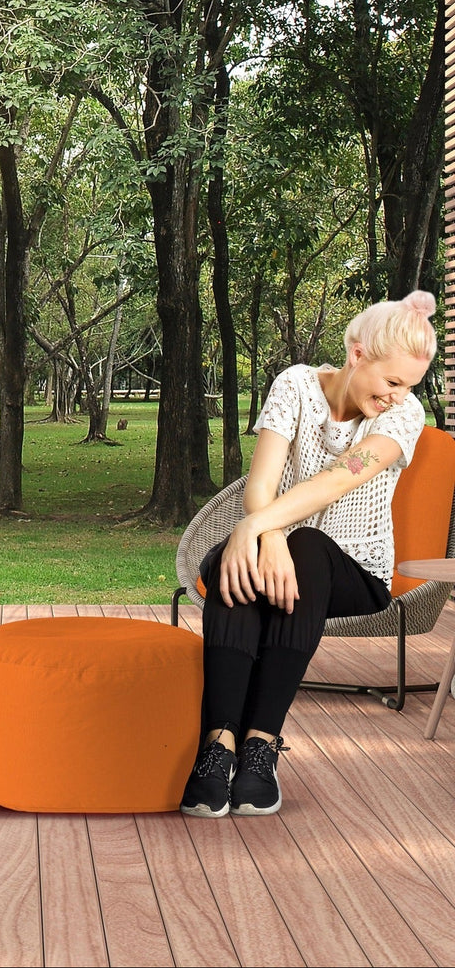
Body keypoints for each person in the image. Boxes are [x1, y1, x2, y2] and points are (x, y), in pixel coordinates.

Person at [180, 290, 437, 818]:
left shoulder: (404, 416)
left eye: (408, 386)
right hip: (273, 548)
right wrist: (265, 534)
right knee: (255, 561)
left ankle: (260, 745)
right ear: (357, 353)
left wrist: (260, 528)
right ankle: (219, 747)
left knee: (307, 545)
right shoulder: (295, 385)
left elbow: (336, 482)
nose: (397, 396)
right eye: (392, 382)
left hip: (353, 570)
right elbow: (262, 483)